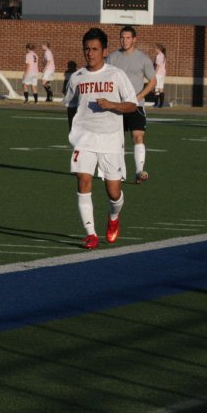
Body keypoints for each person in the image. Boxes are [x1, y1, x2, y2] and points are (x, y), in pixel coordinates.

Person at [63, 27, 138, 250]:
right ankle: (91, 234)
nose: (90, 53)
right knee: (83, 180)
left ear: (104, 51)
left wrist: (112, 104)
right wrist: (73, 132)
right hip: (84, 139)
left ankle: (114, 216)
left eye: (95, 49)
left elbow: (132, 105)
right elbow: (71, 106)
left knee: (113, 191)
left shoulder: (116, 75)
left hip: (111, 140)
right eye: (86, 49)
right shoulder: (76, 78)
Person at [106, 26, 156, 184]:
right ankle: (117, 173)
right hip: (117, 106)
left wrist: (138, 97)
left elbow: (153, 82)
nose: (124, 40)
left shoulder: (143, 59)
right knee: (116, 141)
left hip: (136, 106)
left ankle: (139, 171)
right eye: (122, 37)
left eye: (128, 37)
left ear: (134, 39)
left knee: (138, 136)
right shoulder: (112, 58)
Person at [152, 44, 166, 108]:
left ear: (158, 49)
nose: (155, 50)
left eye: (155, 48)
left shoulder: (158, 56)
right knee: (161, 88)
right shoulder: (163, 55)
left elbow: (158, 66)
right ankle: (161, 104)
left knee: (157, 88)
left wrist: (155, 73)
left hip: (158, 73)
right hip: (162, 74)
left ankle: (156, 103)